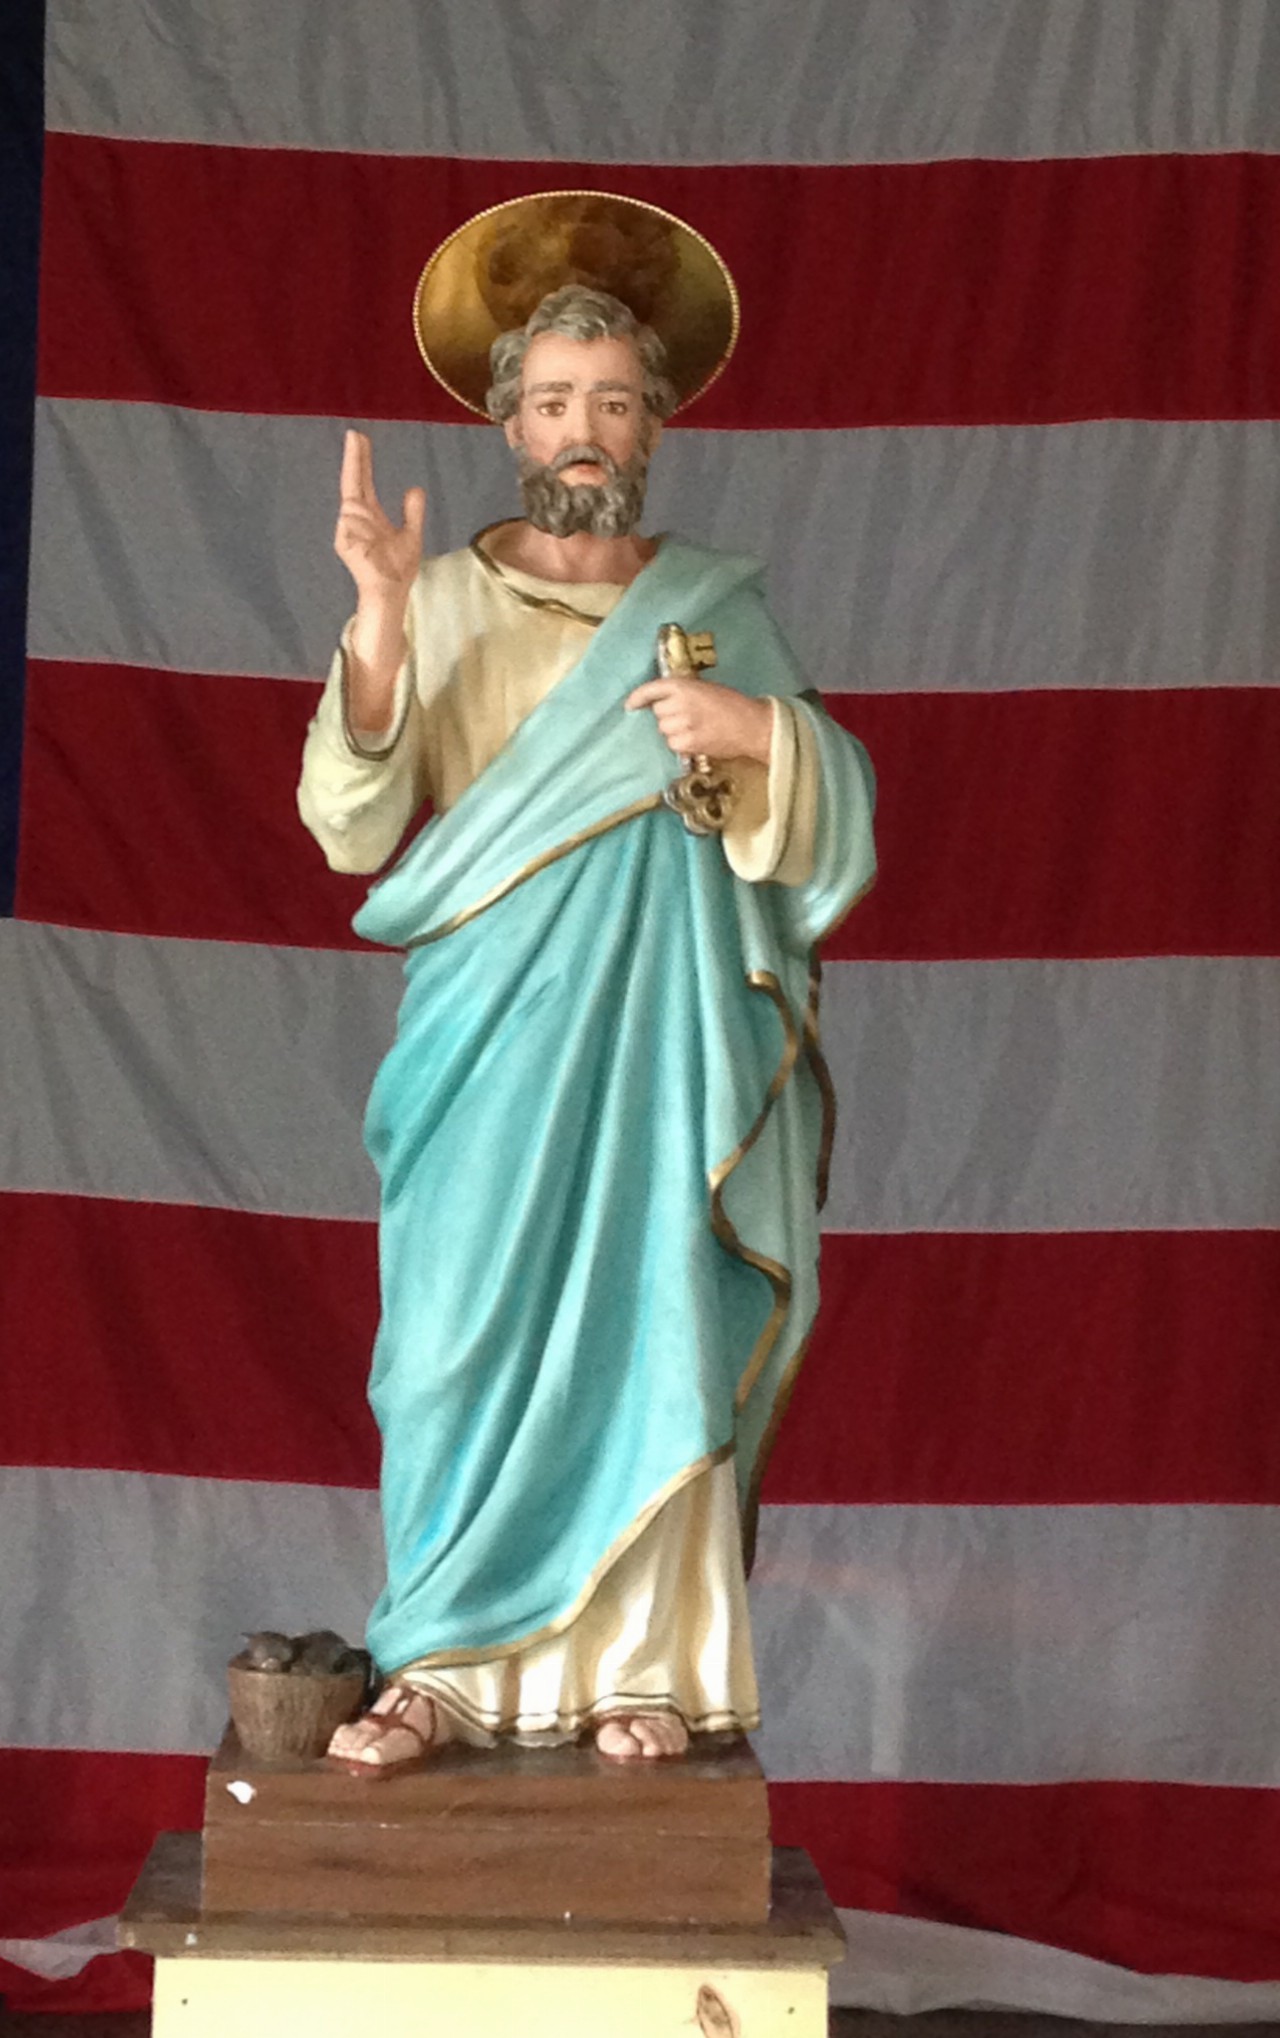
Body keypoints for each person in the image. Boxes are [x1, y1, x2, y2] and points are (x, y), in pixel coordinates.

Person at [298, 195, 875, 1777]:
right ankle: (439, 1661)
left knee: (651, 1318)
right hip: (490, 1028)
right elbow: (350, 822)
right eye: (553, 399)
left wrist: (760, 739)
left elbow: (837, 819)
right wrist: (378, 621)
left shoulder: (715, 609)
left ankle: (647, 1667)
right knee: (453, 1340)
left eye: (614, 401)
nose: (583, 428)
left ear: (654, 427)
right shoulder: (443, 595)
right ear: (508, 425)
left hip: (664, 1027)